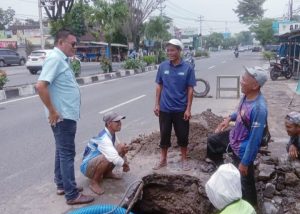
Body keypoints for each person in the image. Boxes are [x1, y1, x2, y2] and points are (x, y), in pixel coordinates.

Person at [35, 29, 94, 205]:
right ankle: (72, 194)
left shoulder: (61, 59)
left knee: (61, 151)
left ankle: (62, 184)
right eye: (73, 44)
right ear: (61, 43)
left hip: (66, 115)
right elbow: (41, 86)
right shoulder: (55, 58)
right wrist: (53, 111)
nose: (75, 47)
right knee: (67, 153)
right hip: (62, 117)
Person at [206, 66, 268, 207]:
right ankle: (222, 169)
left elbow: (255, 140)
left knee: (245, 182)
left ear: (255, 85)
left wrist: (245, 162)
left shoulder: (259, 108)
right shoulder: (246, 96)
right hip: (234, 136)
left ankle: (251, 207)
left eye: (244, 80)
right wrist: (228, 119)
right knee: (212, 141)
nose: (241, 82)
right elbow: (239, 113)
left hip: (243, 148)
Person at [153, 38, 196, 171]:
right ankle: (163, 159)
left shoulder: (188, 68)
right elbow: (159, 86)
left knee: (183, 135)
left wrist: (188, 109)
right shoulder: (163, 66)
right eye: (168, 50)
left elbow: (190, 89)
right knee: (164, 134)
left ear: (179, 51)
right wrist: (157, 104)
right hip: (165, 108)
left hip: (180, 109)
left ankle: (184, 159)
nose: (169, 53)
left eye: (172, 50)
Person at [80, 111, 130, 195]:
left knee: (121, 147)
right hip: (87, 167)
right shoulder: (104, 138)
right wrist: (124, 164)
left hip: (95, 162)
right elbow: (114, 157)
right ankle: (94, 182)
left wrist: (124, 153)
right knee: (108, 156)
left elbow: (119, 151)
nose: (120, 123)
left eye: (120, 121)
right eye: (117, 122)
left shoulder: (112, 134)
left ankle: (107, 173)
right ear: (109, 123)